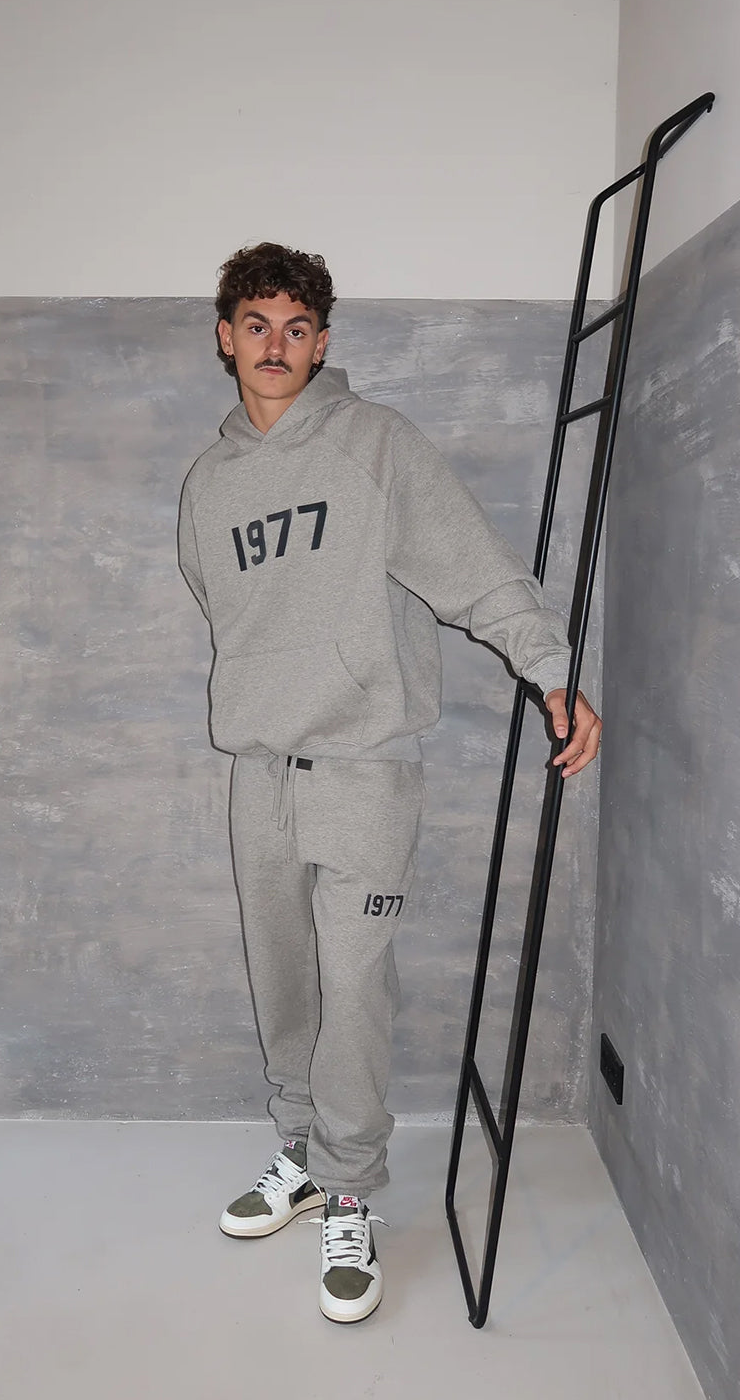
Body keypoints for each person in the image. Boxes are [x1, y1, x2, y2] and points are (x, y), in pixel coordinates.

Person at [177, 242, 601, 1324]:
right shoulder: (208, 485)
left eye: (298, 328)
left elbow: (474, 570)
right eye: (257, 325)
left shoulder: (377, 445)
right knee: (285, 983)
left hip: (364, 769)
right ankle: (301, 1153)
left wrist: (550, 668)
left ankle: (351, 1188)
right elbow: (228, 611)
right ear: (227, 336)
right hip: (258, 774)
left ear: (323, 343)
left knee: (356, 990)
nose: (277, 346)